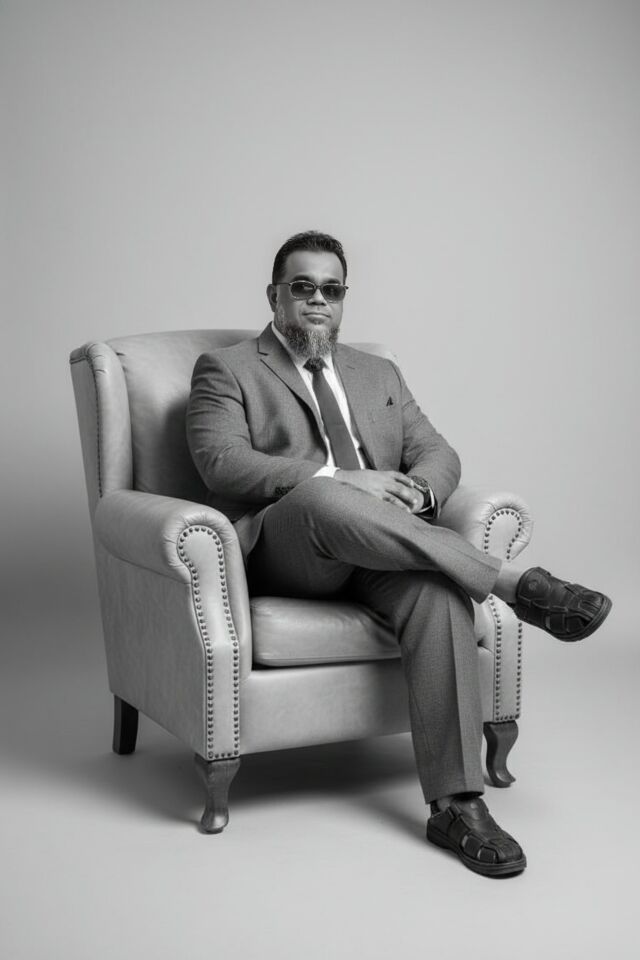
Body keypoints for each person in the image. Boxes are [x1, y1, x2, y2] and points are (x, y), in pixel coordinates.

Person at [186, 230, 611, 878]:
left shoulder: (377, 372)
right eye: (303, 287)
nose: (319, 301)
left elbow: (437, 452)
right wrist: (342, 480)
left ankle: (457, 804)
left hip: (381, 546)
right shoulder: (227, 367)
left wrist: (420, 493)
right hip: (293, 550)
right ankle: (511, 583)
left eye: (332, 289)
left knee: (439, 592)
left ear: (344, 298)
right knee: (321, 496)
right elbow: (221, 462)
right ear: (274, 296)